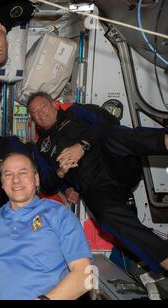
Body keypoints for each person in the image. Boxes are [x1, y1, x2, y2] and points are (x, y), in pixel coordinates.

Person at [27, 91, 168, 272]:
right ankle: (163, 257)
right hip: (96, 186)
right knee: (105, 216)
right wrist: (61, 174)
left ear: (54, 105)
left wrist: (82, 145)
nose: (41, 113)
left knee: (113, 134)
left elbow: (109, 120)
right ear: (32, 118)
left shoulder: (76, 112)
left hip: (116, 163)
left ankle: (164, 140)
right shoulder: (40, 149)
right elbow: (47, 185)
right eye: (35, 112)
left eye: (43, 107)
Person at [0, 152, 92, 300]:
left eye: (23, 173)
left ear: (36, 179)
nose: (16, 180)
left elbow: (84, 275)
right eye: (8, 174)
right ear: (2, 183)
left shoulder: (60, 215)